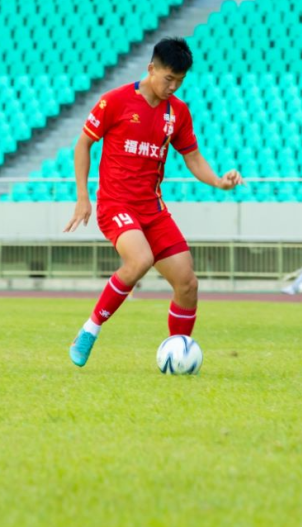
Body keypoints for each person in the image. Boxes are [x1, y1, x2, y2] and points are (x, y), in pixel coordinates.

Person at [63, 37, 243, 367]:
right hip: (116, 205)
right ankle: (89, 330)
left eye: (180, 81)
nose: (173, 87)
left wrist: (219, 181)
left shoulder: (178, 112)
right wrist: (82, 198)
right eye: (168, 79)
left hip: (153, 210)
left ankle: (179, 354)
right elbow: (82, 145)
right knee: (140, 260)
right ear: (151, 69)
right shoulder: (114, 101)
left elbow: (193, 158)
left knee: (187, 283)